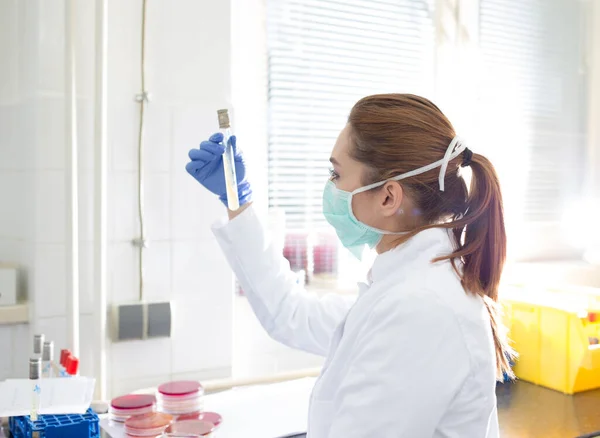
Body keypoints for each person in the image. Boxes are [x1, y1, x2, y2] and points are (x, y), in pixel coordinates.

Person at [186, 94, 513, 438]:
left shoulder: (422, 306)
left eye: (336, 173)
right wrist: (237, 200)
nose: (330, 187)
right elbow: (291, 314)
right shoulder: (406, 285)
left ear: (388, 197)